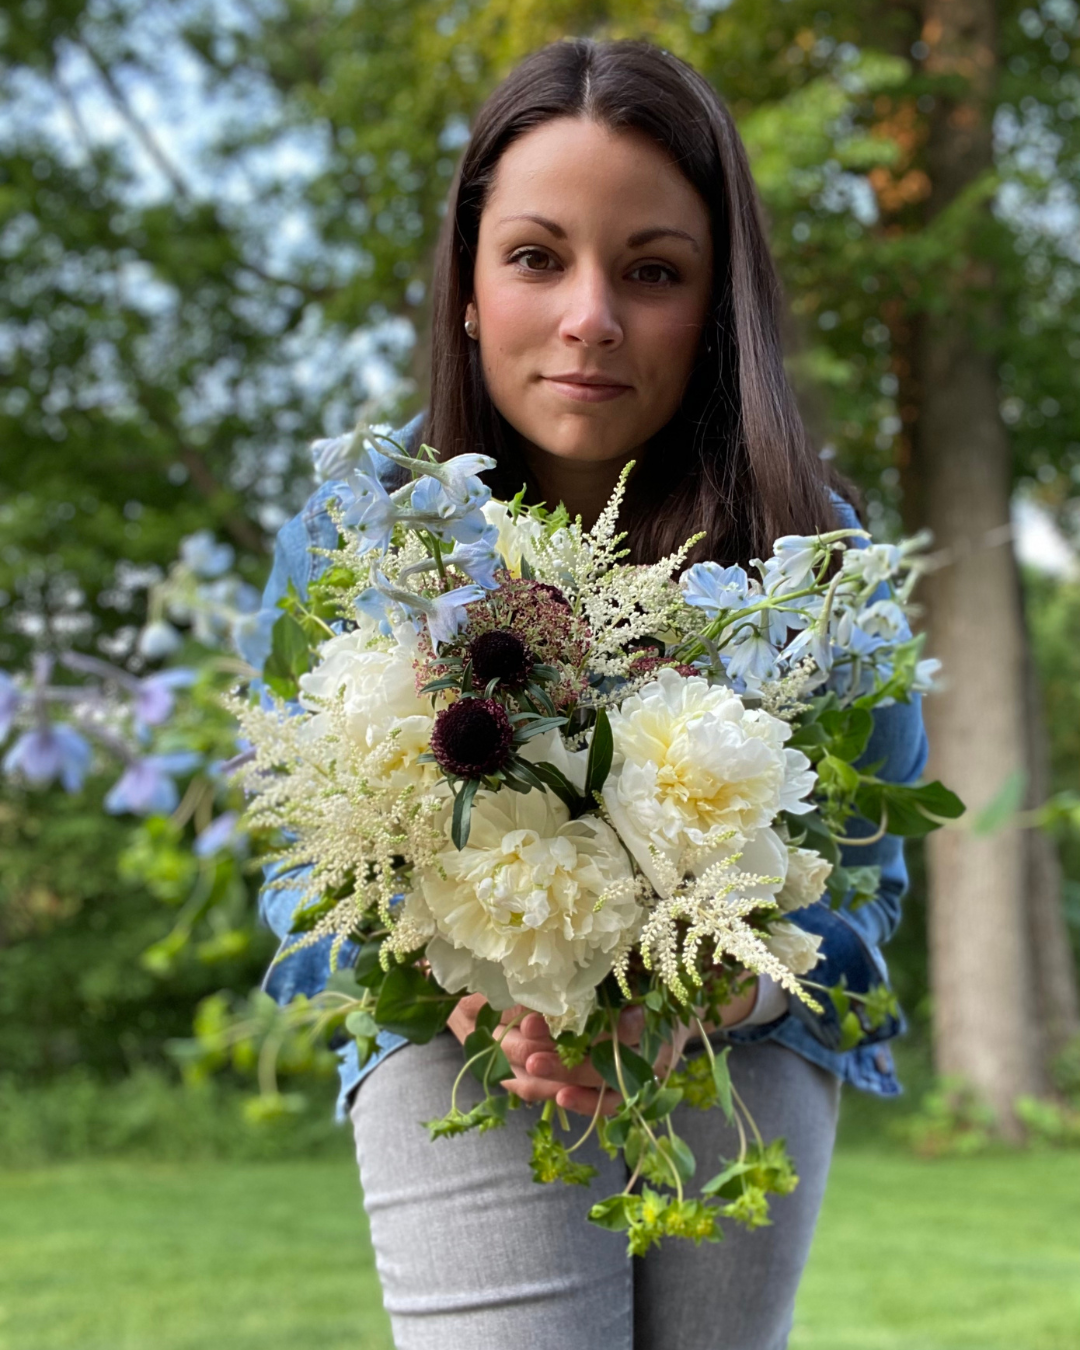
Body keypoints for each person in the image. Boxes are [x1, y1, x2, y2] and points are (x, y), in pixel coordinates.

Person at [246, 37, 927, 1350]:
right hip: (464, 1054)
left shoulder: (815, 557)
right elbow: (289, 874)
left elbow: (870, 889)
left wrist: (733, 988)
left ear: (717, 299)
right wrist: (460, 965)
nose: (591, 315)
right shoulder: (360, 548)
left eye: (654, 270)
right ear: (465, 285)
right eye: (538, 256)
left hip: (742, 1064)